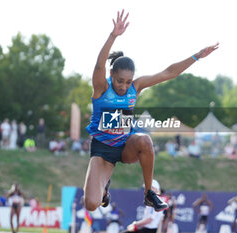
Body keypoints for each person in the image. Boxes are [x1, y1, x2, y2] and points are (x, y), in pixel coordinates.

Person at [83, 10, 219, 212]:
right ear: (112, 75)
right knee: (92, 204)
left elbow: (168, 72)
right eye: (120, 81)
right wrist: (113, 36)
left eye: (128, 82)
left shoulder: (135, 87)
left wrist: (196, 56)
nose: (123, 86)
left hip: (125, 145)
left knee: (145, 140)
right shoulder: (102, 87)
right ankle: (104, 191)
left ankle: (149, 193)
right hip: (102, 149)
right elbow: (99, 65)